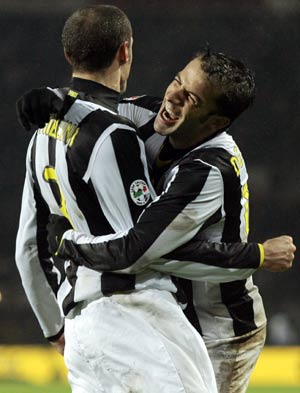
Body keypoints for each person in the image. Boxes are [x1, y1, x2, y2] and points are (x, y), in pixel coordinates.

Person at [18, 47, 296, 393]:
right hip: (166, 310)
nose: (173, 96)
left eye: (191, 97)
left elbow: (139, 250)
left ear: (215, 123)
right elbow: (98, 108)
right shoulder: (147, 112)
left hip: (218, 328)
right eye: (178, 80)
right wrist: (56, 99)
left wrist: (71, 242)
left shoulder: (209, 171)